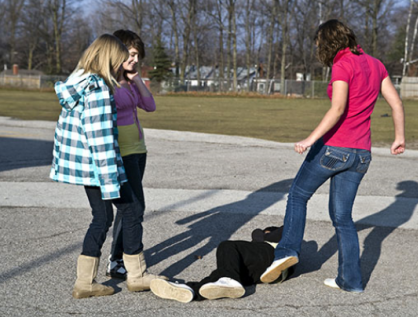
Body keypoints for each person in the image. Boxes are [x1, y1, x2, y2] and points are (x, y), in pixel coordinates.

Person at [260, 19, 405, 293]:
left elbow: (337, 109)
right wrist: (399, 137)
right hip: (361, 155)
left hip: (334, 149)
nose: (318, 49)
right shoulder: (376, 64)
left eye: (319, 44)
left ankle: (287, 250)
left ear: (328, 42)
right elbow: (396, 103)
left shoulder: (342, 64)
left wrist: (309, 139)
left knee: (298, 195)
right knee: (343, 218)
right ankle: (350, 281)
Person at [50, 34, 160, 299]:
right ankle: (137, 275)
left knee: (101, 218)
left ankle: (85, 282)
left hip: (86, 167)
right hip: (101, 167)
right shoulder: (98, 89)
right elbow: (100, 140)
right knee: (132, 211)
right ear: (110, 58)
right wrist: (110, 179)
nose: (124, 64)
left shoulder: (79, 80)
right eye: (121, 59)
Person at [105, 29, 158, 281]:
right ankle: (118, 260)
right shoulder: (106, 82)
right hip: (122, 153)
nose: (135, 59)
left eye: (138, 55)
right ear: (118, 52)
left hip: (138, 151)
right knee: (133, 207)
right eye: (132, 54)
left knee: (130, 208)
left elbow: (149, 106)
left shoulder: (128, 81)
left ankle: (121, 258)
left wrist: (137, 80)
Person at [149, 226, 293, 303]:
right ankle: (191, 290)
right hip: (261, 273)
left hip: (269, 255)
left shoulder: (275, 238)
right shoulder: (260, 246)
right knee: (220, 277)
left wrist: (265, 232)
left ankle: (230, 280)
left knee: (227, 246)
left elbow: (256, 233)